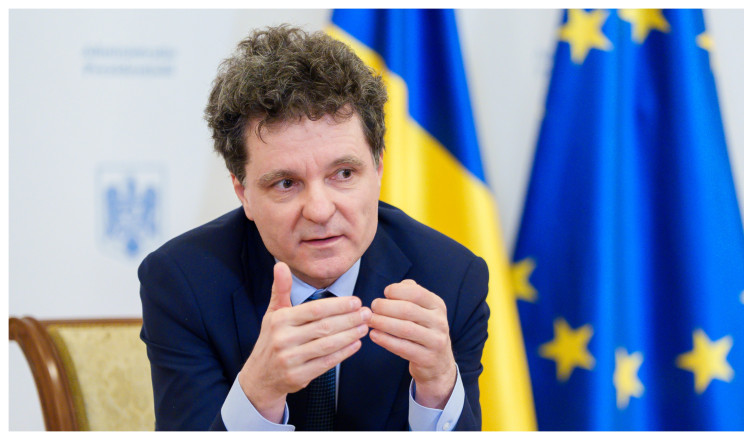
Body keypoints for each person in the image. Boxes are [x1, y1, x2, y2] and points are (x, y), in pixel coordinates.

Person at [138, 25, 489, 431]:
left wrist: (439, 386)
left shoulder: (450, 278)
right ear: (243, 192)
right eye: (286, 183)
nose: (320, 211)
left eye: (343, 173)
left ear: (378, 169)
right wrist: (258, 392)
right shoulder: (182, 282)